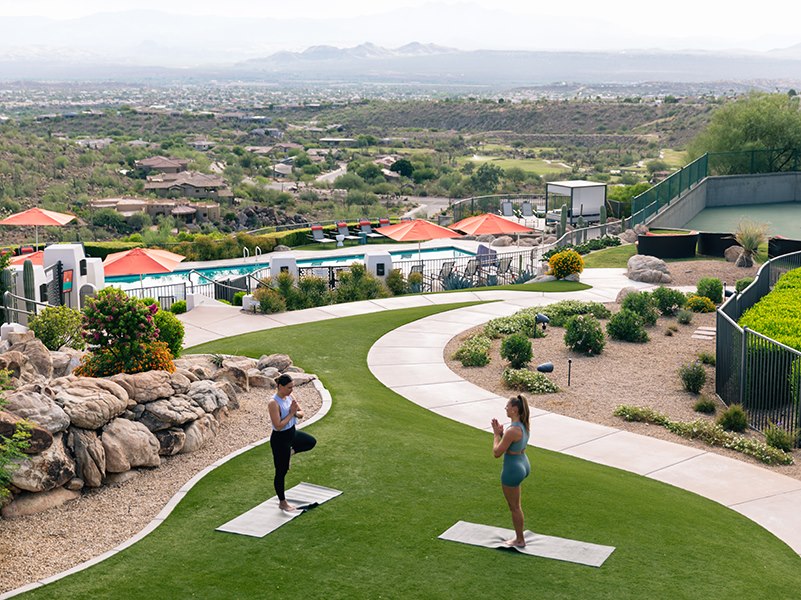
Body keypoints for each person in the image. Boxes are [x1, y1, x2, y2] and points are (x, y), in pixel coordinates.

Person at [268, 373, 317, 511]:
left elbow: (301, 413)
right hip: (280, 439)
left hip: (292, 433)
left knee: (310, 442)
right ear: (280, 386)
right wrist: (291, 413)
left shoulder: (290, 397)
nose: (292, 390)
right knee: (281, 471)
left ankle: (291, 452)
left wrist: (294, 413)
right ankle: (282, 503)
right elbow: (278, 425)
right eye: (289, 387)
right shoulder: (273, 403)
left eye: (293, 387)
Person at [491, 394, 531, 547]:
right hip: (523, 463)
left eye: (507, 406)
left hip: (513, 468)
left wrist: (496, 435)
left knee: (514, 507)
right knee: (516, 505)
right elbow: (513, 443)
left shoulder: (513, 430)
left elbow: (497, 453)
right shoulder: (523, 424)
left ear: (514, 409)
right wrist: (502, 434)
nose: (506, 408)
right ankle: (519, 537)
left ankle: (520, 540)